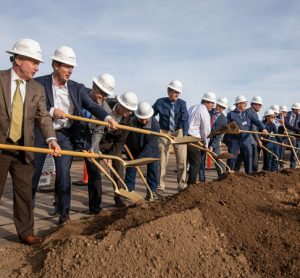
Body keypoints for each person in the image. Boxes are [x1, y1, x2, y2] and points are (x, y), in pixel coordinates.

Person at [32, 46, 117, 224]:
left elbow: (92, 106)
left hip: (63, 135)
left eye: (72, 67)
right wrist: (51, 110)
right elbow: (30, 106)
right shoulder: (39, 83)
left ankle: (64, 215)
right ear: (55, 65)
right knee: (33, 174)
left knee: (64, 174)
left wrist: (108, 118)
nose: (70, 71)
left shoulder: (77, 88)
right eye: (66, 66)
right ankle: (28, 211)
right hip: (40, 133)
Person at [0, 38, 60, 245]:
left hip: (23, 147)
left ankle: (26, 232)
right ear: (17, 59)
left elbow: (43, 117)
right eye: (33, 62)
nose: (37, 67)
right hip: (1, 145)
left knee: (25, 191)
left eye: (38, 63)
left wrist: (51, 138)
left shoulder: (37, 89)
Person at [89, 91, 138, 207]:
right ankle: (95, 204)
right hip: (96, 139)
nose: (129, 112)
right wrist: (98, 151)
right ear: (120, 104)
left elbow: (120, 142)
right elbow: (94, 129)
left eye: (131, 110)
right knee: (95, 169)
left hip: (112, 144)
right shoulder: (105, 106)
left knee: (118, 164)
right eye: (127, 109)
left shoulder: (128, 120)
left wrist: (111, 156)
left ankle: (118, 196)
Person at [85, 73, 116, 214]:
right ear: (93, 86)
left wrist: (92, 148)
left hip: (91, 139)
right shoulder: (80, 94)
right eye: (101, 93)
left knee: (95, 173)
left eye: (106, 95)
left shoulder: (106, 110)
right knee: (63, 172)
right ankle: (60, 207)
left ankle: (95, 208)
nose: (103, 97)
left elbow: (98, 131)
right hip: (72, 136)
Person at [153, 80, 189, 194]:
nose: (177, 94)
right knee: (162, 160)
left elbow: (185, 119)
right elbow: (150, 115)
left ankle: (182, 184)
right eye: (175, 92)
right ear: (168, 91)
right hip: (164, 132)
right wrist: (154, 127)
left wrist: (185, 135)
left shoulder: (182, 103)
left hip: (178, 131)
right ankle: (161, 186)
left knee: (182, 160)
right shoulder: (160, 102)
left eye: (178, 92)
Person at [125, 101, 160, 198]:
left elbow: (150, 145)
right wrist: (131, 158)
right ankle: (129, 192)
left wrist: (138, 161)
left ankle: (151, 192)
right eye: (141, 119)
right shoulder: (132, 121)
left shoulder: (155, 125)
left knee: (153, 170)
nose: (144, 122)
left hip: (151, 150)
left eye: (146, 119)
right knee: (131, 169)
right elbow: (126, 138)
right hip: (133, 149)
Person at [227, 95, 267, 174]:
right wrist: (233, 129)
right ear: (238, 104)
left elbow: (257, 121)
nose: (246, 105)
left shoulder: (248, 114)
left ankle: (249, 174)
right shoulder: (231, 114)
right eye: (244, 103)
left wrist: (263, 128)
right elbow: (226, 126)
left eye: (246, 103)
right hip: (234, 140)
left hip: (246, 140)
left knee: (249, 157)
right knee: (232, 158)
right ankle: (229, 174)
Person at [187, 92, 216, 184]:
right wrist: (206, 144)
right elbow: (206, 131)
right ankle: (191, 185)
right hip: (195, 139)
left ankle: (185, 183)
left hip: (185, 138)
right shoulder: (204, 112)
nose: (212, 106)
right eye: (212, 103)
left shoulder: (192, 107)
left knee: (186, 163)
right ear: (207, 101)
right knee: (195, 163)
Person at [208, 96, 228, 177]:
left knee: (217, 159)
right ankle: (202, 179)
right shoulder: (209, 111)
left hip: (214, 141)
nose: (219, 108)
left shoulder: (223, 120)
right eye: (218, 105)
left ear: (224, 108)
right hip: (203, 138)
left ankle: (221, 176)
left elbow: (218, 135)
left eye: (222, 107)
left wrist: (212, 145)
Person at [284, 102, 300, 169]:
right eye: (298, 109)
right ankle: (280, 165)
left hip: (296, 135)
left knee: (296, 150)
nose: (299, 111)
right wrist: (296, 129)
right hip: (287, 133)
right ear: (294, 109)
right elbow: (287, 124)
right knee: (283, 149)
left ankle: (292, 166)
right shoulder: (287, 114)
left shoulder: (299, 116)